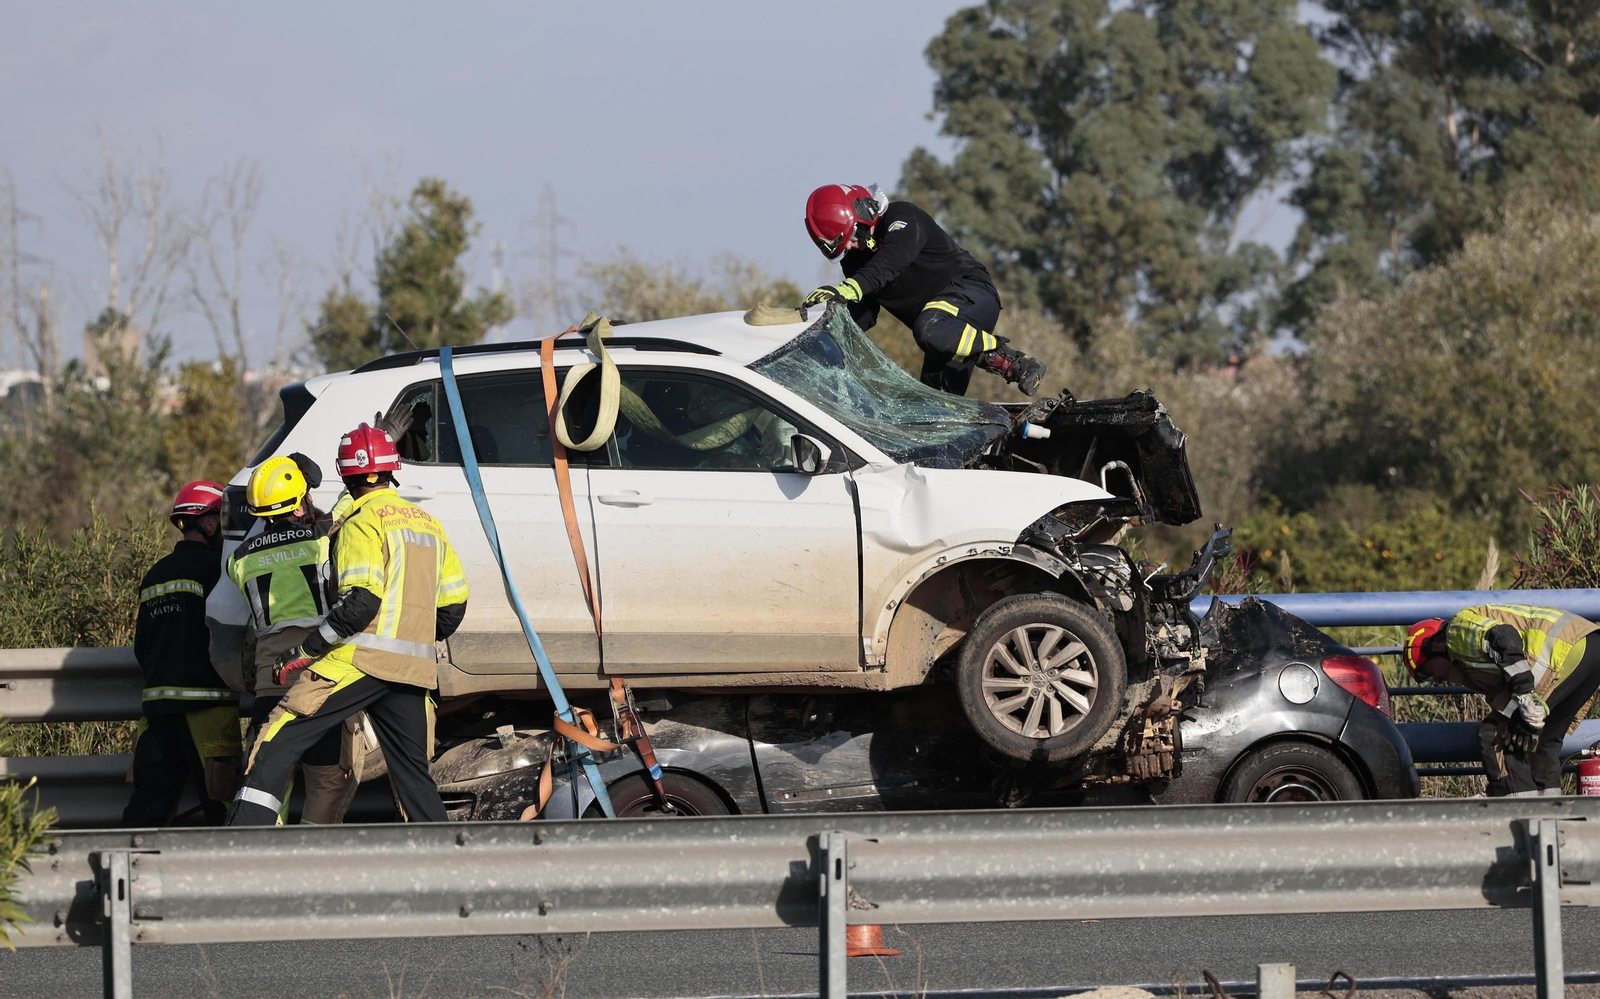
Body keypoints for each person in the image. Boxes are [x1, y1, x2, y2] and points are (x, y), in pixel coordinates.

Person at [226, 422, 469, 825]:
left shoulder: (358, 523)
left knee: (276, 740)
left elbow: (360, 603)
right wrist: (410, 634)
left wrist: (305, 651)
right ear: (393, 470)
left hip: (361, 660)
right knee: (412, 777)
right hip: (414, 669)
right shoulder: (428, 523)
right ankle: (446, 864)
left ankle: (235, 850)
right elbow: (452, 608)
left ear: (345, 475)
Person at [801, 183, 1046, 397]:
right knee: (933, 410)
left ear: (862, 213)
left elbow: (891, 261)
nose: (852, 247)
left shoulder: (902, 217)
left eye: (852, 238)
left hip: (970, 294)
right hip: (942, 331)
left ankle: (1016, 363)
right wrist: (824, 326)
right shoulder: (855, 261)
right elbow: (864, 312)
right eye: (844, 247)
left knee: (930, 329)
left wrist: (847, 289)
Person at [226, 453, 355, 824]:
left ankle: (266, 859)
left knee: (268, 783)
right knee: (326, 780)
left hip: (270, 683)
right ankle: (310, 859)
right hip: (317, 680)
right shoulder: (319, 538)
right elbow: (349, 506)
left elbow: (273, 544)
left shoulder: (238, 559)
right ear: (301, 502)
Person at [123, 481, 241, 826]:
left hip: (158, 713)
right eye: (222, 518)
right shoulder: (219, 571)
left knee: (147, 809)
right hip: (208, 712)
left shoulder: (154, 575)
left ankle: (123, 871)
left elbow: (141, 647)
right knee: (224, 808)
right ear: (207, 523)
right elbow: (232, 635)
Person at [1405, 605, 1600, 796]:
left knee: (1498, 735)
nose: (1435, 681)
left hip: (1561, 651)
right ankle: (1552, 813)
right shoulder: (1471, 671)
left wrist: (1524, 693)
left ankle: (1522, 816)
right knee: (1542, 743)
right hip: (1589, 646)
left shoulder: (1457, 630)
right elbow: (1507, 707)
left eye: (1427, 673)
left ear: (1436, 646)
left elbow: (1502, 636)